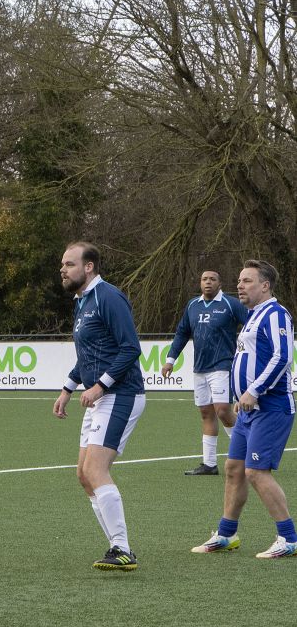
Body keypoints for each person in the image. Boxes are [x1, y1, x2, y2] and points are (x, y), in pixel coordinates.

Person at [191, 260, 297, 558]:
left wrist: (254, 390)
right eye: (239, 280)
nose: (240, 285)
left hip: (271, 407)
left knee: (256, 472)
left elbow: (283, 357)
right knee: (234, 469)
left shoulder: (276, 314)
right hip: (249, 411)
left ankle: (289, 538)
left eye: (247, 280)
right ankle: (226, 534)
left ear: (265, 285)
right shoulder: (253, 315)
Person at [52, 241, 146, 571]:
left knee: (95, 470)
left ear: (88, 267)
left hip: (121, 393)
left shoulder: (108, 296)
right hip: (99, 395)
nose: (62, 269)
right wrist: (68, 388)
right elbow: (88, 355)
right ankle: (115, 546)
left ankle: (122, 548)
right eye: (62, 265)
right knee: (83, 475)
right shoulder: (82, 302)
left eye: (69, 264)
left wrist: (99, 385)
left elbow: (130, 348)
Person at [162, 269, 247, 475]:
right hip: (200, 368)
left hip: (223, 366)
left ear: (220, 283)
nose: (208, 282)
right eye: (204, 279)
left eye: (212, 279)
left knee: (223, 411)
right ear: (200, 283)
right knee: (206, 413)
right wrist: (170, 360)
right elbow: (182, 333)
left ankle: (246, 456)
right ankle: (209, 464)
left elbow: (251, 325)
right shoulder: (193, 305)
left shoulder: (230, 304)